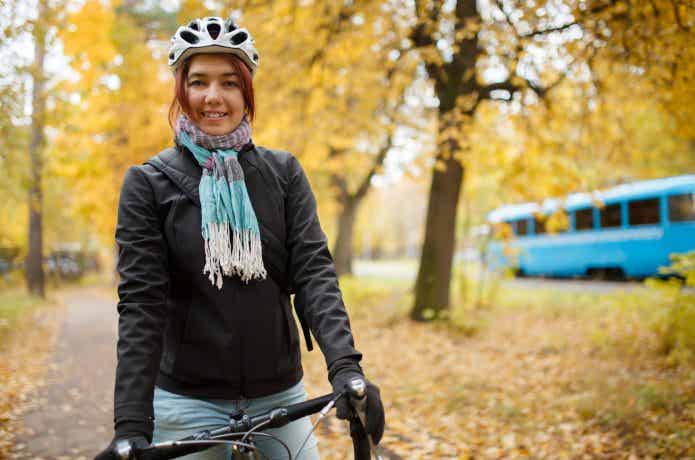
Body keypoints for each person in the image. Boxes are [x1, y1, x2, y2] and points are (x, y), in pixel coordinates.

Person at [95, 15, 384, 460]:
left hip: (279, 396)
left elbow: (313, 274)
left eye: (230, 82)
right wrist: (130, 423)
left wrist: (346, 369)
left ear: (246, 91)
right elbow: (142, 305)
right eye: (199, 82)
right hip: (187, 401)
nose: (214, 96)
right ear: (181, 90)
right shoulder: (148, 184)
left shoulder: (282, 173)